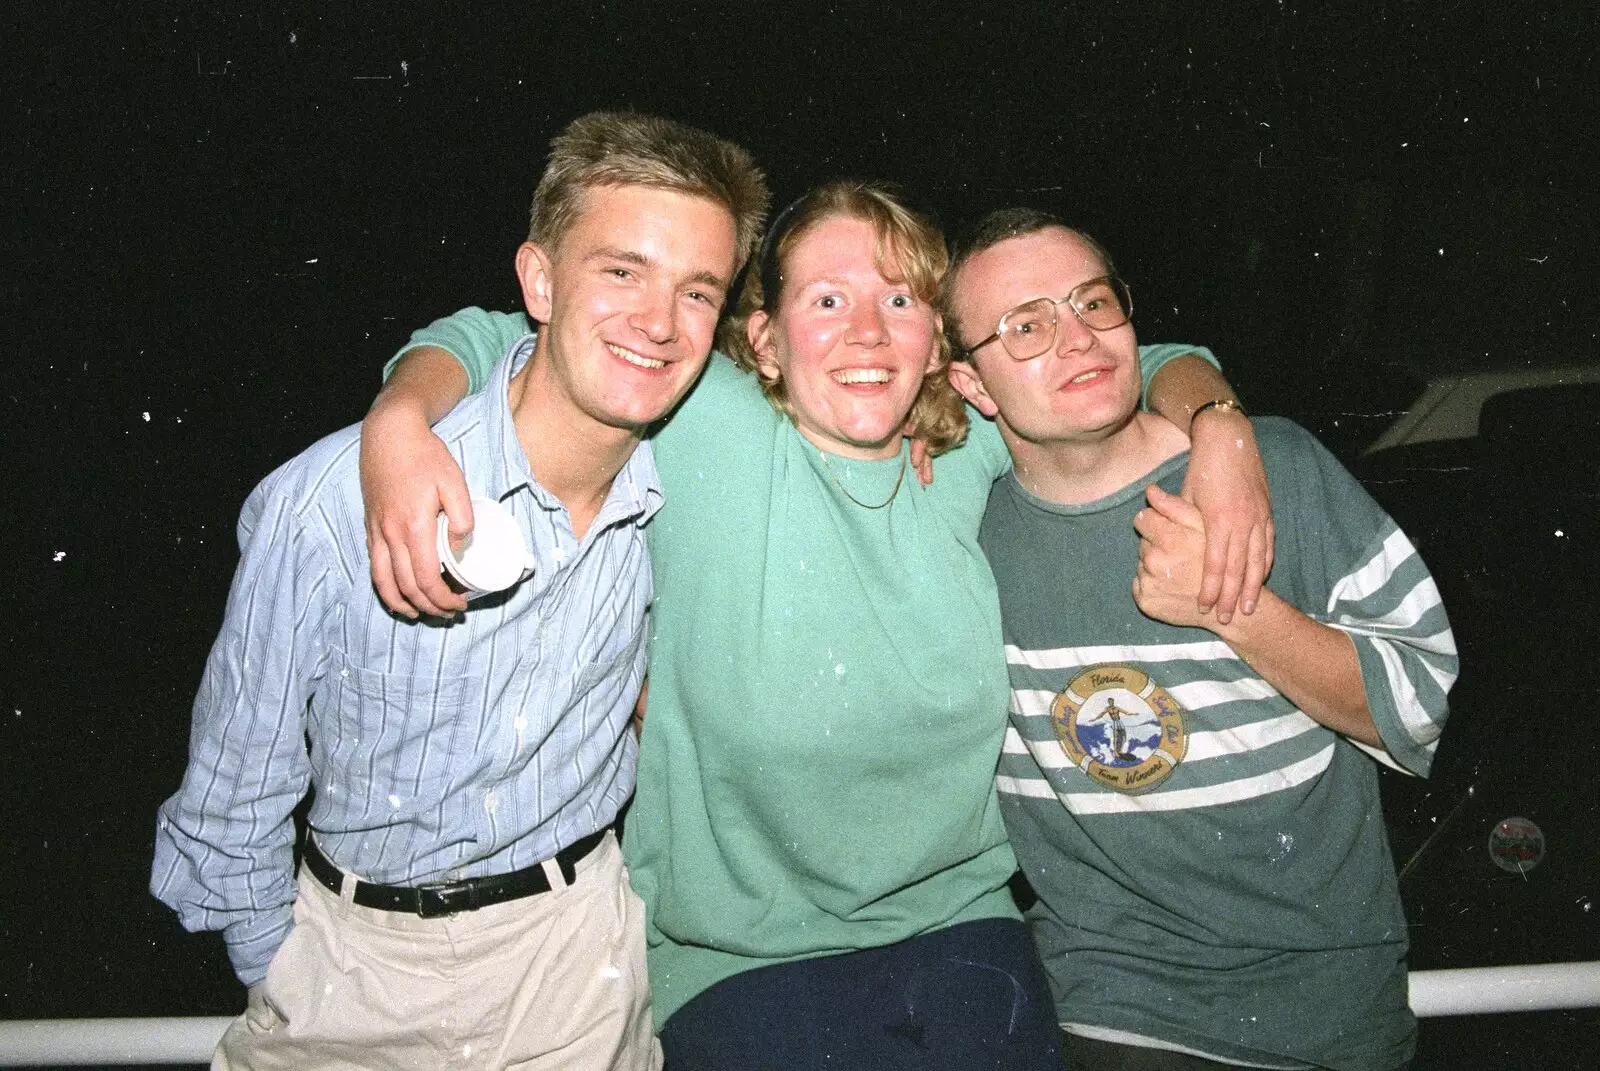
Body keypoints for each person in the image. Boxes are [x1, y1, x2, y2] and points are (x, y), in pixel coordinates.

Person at [363, 181, 1272, 1069]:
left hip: (961, 926)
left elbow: (1136, 362)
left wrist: (1225, 431)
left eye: (900, 299)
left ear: (939, 350)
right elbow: (498, 335)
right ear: (764, 340)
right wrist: (399, 420)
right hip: (739, 957)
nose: (868, 331)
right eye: (829, 299)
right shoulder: (709, 432)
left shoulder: (965, 454)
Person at [150, 111, 768, 1071]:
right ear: (540, 281)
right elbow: (232, 798)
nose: (659, 321)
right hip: (346, 975)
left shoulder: (692, 481)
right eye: (621, 270)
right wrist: (284, 969)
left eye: (698, 290)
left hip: (576, 969)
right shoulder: (329, 501)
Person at [943, 209, 1457, 1070]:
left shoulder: (1276, 470)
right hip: (1112, 1004)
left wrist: (1234, 605)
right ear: (973, 386)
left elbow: (1417, 708)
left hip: (1330, 1007)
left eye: (1094, 303)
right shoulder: (959, 531)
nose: (1078, 339)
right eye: (1026, 325)